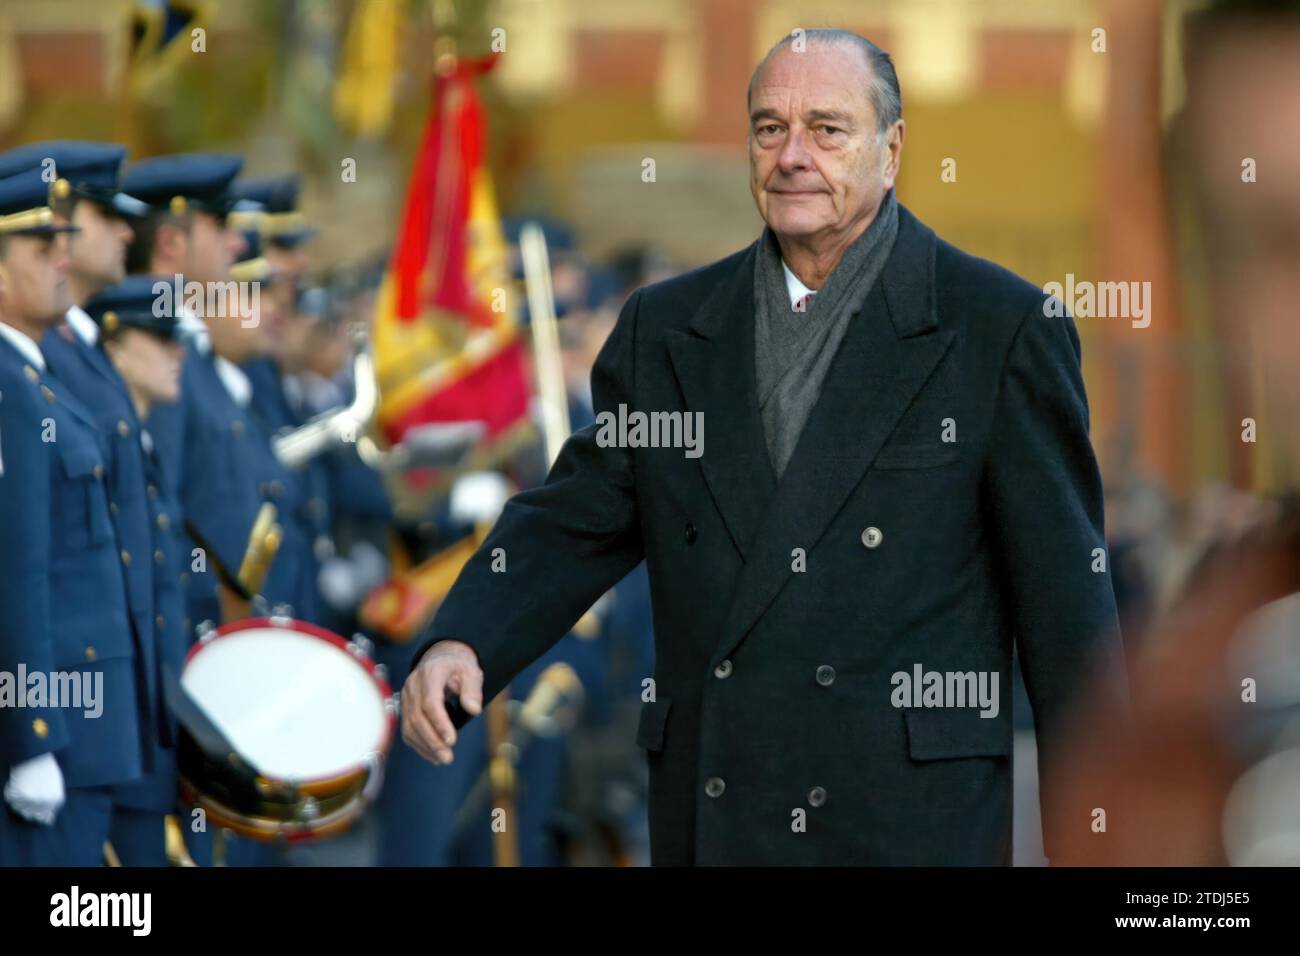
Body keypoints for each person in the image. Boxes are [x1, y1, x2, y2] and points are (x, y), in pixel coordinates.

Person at [402, 29, 1127, 865]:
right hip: (720, 810)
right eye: (768, 128)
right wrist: (464, 637)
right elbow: (576, 518)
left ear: (891, 151)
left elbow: (1071, 614)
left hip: (907, 821)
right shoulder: (668, 330)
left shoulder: (995, 328)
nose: (792, 155)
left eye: (827, 129)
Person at [0, 167, 144, 865]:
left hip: (86, 729)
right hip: (55, 727)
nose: (63, 260)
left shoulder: (36, 378)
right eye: (39, 249)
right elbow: (15, 568)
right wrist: (30, 736)